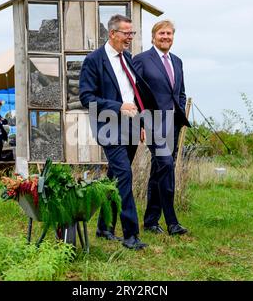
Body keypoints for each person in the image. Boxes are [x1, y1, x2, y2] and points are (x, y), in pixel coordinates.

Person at [79, 14, 158, 250]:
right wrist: (118, 106)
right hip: (109, 126)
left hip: (132, 127)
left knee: (115, 177)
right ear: (112, 33)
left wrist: (143, 124)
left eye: (132, 34)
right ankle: (131, 234)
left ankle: (104, 227)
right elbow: (86, 98)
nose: (130, 38)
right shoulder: (94, 60)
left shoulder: (129, 59)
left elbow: (136, 95)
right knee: (124, 176)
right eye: (126, 33)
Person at [133, 20, 190, 236]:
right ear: (153, 37)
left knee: (160, 170)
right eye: (161, 33)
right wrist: (140, 122)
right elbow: (135, 93)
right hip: (152, 121)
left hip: (172, 123)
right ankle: (172, 222)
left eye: (169, 33)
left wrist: (181, 111)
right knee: (166, 164)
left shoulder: (177, 61)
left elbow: (180, 92)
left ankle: (150, 221)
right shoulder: (141, 60)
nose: (166, 37)